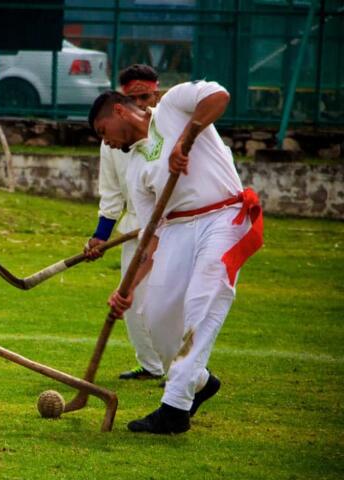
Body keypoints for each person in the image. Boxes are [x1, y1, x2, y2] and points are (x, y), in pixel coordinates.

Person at [89, 81, 263, 434]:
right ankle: (199, 381)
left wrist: (187, 137)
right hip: (177, 230)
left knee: (202, 304)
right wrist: (128, 289)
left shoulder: (174, 105)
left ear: (120, 111)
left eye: (103, 131)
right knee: (156, 315)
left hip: (222, 217)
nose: (105, 142)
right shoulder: (136, 167)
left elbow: (220, 96)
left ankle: (174, 409)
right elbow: (150, 238)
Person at [85, 64, 165, 382]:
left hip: (176, 231)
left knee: (168, 302)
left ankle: (186, 368)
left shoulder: (170, 128)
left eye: (147, 96)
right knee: (130, 300)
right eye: (136, 98)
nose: (144, 104)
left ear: (155, 93)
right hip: (136, 229)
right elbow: (111, 194)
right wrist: (99, 236)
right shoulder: (112, 141)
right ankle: (151, 366)